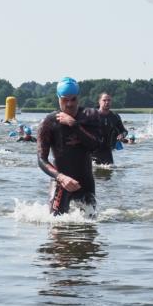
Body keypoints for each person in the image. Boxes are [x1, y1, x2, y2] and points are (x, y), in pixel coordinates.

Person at [37, 77, 103, 216]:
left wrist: (74, 125)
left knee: (89, 231)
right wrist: (61, 177)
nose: (69, 104)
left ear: (78, 97)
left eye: (73, 99)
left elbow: (96, 146)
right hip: (61, 182)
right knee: (55, 226)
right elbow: (41, 159)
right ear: (58, 98)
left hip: (85, 182)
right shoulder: (49, 122)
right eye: (65, 100)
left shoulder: (91, 116)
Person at [92, 92, 127, 165]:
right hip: (92, 151)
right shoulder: (92, 115)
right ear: (99, 101)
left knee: (108, 173)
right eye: (104, 100)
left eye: (109, 100)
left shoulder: (115, 117)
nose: (107, 102)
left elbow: (124, 131)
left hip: (107, 152)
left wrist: (122, 135)